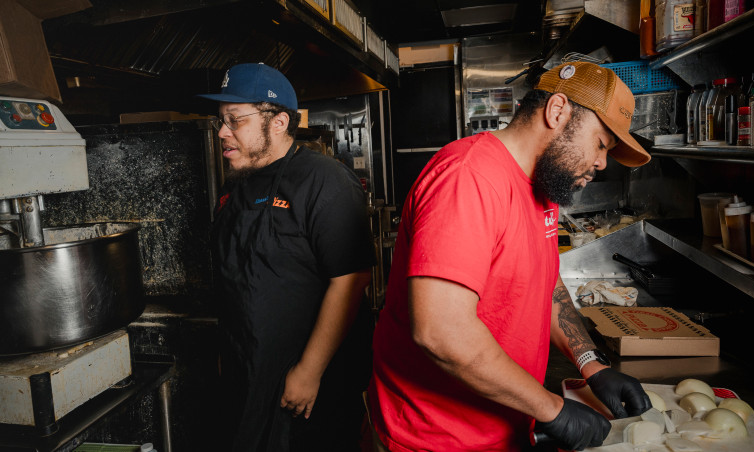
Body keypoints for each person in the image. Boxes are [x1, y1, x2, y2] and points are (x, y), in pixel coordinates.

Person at [368, 62, 654, 452]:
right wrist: (552, 409)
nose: (602, 164)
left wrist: (592, 364)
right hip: (435, 438)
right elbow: (441, 332)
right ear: (557, 112)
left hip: (503, 424)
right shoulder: (469, 178)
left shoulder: (543, 187)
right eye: (601, 144)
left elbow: (545, 283)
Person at [199, 63, 376, 452]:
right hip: (248, 373)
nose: (223, 133)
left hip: (307, 381)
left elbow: (350, 279)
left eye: (234, 120)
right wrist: (227, 355)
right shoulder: (234, 190)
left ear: (278, 122)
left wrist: (309, 372)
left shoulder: (324, 180)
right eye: (220, 121)